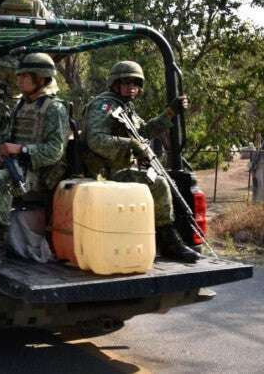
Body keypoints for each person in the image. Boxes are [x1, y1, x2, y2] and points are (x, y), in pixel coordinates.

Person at [82, 60, 200, 263]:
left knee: (161, 178)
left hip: (120, 170)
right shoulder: (105, 105)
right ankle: (169, 242)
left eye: (135, 84)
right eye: (127, 83)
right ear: (115, 84)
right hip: (104, 173)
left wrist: (170, 112)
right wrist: (132, 144)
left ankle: (166, 238)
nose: (132, 88)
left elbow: (143, 132)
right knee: (159, 184)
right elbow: (96, 140)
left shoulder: (125, 107)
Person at [0, 53, 69, 250]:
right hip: (16, 166)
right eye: (19, 75)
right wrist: (2, 151)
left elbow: (54, 151)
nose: (19, 80)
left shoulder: (54, 108)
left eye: (25, 76)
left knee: (0, 180)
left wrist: (21, 149)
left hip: (40, 173)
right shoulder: (22, 104)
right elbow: (9, 137)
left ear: (41, 78)